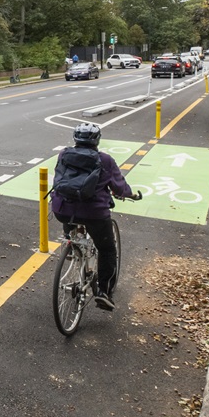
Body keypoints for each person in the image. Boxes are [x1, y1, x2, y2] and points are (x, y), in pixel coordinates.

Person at [50, 122, 140, 311]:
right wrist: (131, 195)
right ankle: (104, 292)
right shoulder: (105, 160)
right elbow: (119, 187)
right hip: (94, 213)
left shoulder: (64, 154)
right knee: (107, 249)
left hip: (62, 209)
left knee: (70, 220)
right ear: (97, 140)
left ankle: (72, 245)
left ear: (76, 138)